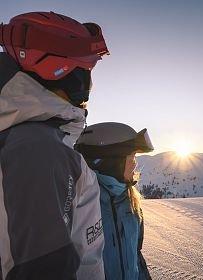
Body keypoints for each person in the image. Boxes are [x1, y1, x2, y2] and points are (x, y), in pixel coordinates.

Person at [0, 12, 109, 280]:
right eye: (84, 74)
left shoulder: (26, 140)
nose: (88, 87)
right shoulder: (39, 152)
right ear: (61, 72)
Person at [75, 122, 153, 280]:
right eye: (130, 156)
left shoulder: (130, 201)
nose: (134, 163)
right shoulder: (82, 204)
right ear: (109, 162)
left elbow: (136, 256)